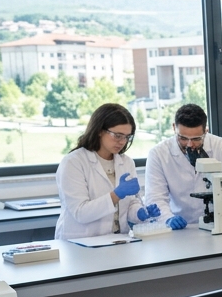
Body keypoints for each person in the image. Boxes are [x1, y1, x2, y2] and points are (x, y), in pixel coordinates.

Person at [54, 103, 159, 241]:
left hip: (118, 240)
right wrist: (116, 195)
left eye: (127, 137)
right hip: (80, 243)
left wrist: (139, 213)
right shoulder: (73, 162)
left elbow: (131, 202)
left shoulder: (127, 162)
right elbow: (80, 212)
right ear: (99, 130)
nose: (122, 141)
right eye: (117, 135)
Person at [144, 103, 222, 230]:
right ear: (174, 128)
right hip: (178, 228)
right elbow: (155, 197)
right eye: (183, 138)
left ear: (206, 131)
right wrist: (168, 218)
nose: (189, 144)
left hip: (217, 223)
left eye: (196, 139)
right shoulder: (158, 154)